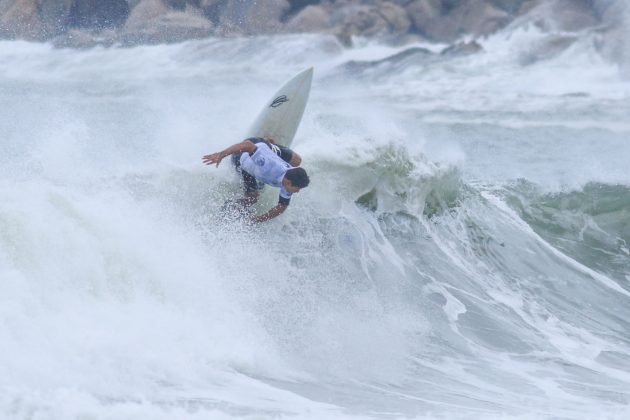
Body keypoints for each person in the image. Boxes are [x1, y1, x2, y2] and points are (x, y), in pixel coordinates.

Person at [202, 137, 310, 223]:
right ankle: (226, 211)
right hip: (241, 158)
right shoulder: (268, 166)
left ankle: (270, 144)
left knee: (296, 161)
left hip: (263, 152)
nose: (298, 191)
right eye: (297, 188)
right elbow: (247, 145)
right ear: (288, 182)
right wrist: (220, 155)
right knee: (252, 198)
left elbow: (282, 207)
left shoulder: (290, 180)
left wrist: (258, 219)